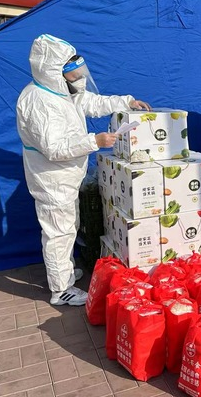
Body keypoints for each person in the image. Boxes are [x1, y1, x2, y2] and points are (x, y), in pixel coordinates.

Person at [16, 34, 150, 306]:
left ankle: (63, 272)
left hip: (64, 177)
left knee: (68, 226)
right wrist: (94, 141)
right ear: (54, 71)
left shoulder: (62, 90)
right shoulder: (38, 101)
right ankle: (61, 289)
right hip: (52, 179)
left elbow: (91, 102)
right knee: (58, 232)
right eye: (73, 72)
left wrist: (126, 102)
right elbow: (54, 148)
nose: (79, 77)